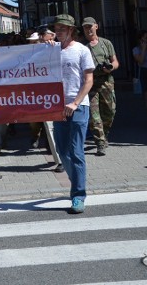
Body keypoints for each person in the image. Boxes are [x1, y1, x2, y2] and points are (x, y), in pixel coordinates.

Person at [51, 14, 95, 214]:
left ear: (71, 30)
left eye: (62, 28)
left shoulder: (82, 50)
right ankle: (76, 180)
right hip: (58, 106)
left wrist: (75, 102)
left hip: (78, 106)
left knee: (76, 151)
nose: (58, 32)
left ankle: (78, 195)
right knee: (62, 151)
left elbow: (88, 81)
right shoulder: (51, 50)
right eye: (56, 28)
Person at [81, 17, 119, 156]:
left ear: (96, 26)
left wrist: (110, 68)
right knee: (94, 115)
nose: (88, 29)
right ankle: (100, 143)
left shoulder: (106, 43)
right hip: (91, 84)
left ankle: (105, 133)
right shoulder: (83, 48)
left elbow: (115, 62)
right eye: (85, 27)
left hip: (107, 82)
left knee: (110, 112)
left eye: (90, 26)